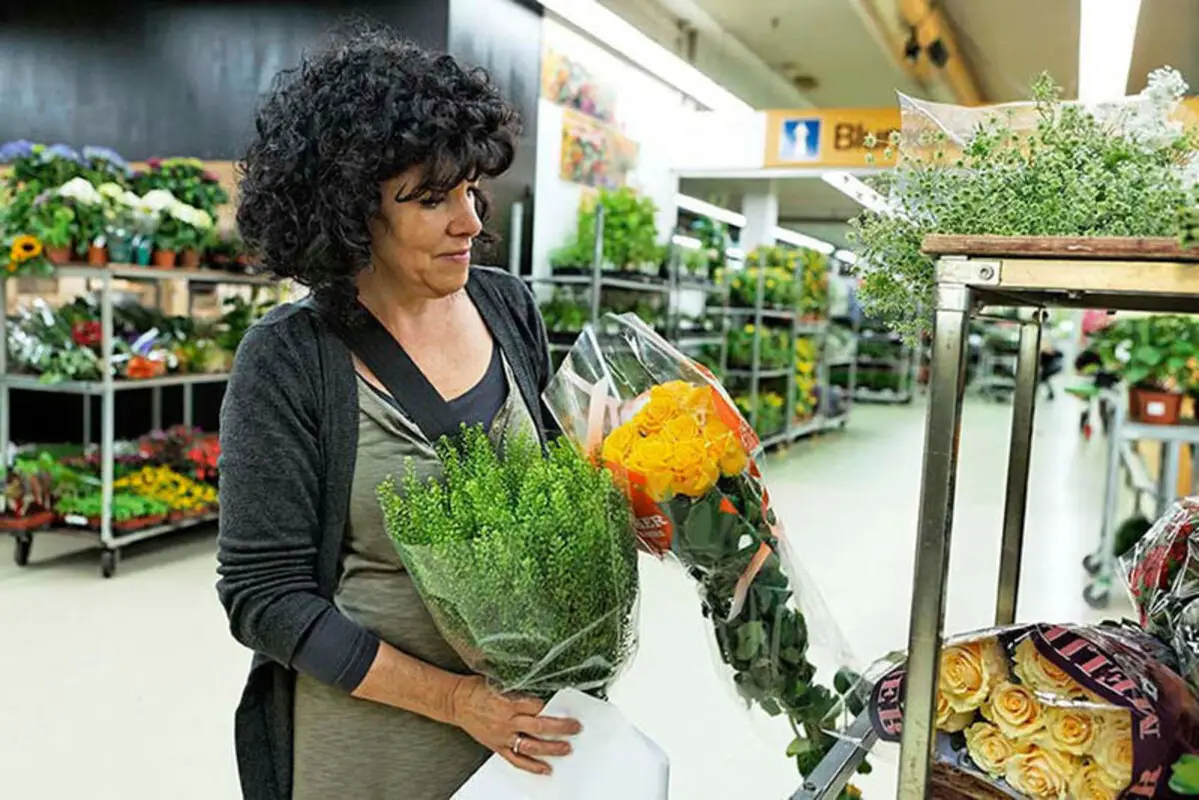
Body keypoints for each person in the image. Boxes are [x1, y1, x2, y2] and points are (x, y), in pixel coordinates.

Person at [216, 26, 580, 800]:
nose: (471, 222)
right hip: (375, 749)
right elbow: (264, 597)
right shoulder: (290, 359)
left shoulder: (507, 307)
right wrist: (457, 701)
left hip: (527, 738)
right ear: (352, 212)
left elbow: (553, 490)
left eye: (472, 190)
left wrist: (639, 503)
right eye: (431, 199)